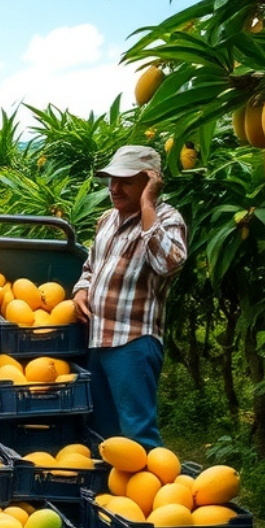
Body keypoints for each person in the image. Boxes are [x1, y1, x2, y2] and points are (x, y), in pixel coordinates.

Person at [72, 145, 188, 448]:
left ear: (150, 182)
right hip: (97, 340)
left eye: (126, 181)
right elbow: (90, 266)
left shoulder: (167, 219)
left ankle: (154, 493)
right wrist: (81, 289)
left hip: (133, 342)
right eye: (112, 180)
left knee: (137, 434)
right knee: (102, 434)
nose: (115, 188)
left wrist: (148, 205)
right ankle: (108, 495)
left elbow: (167, 264)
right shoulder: (107, 219)